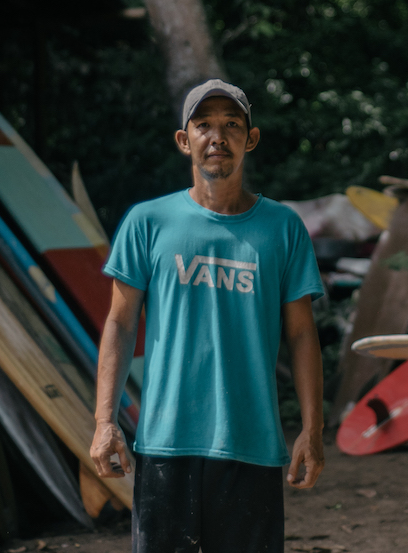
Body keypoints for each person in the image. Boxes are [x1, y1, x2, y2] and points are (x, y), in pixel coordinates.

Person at [90, 79, 326, 553]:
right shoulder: (148, 222)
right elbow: (119, 323)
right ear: (185, 140)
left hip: (252, 443)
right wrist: (104, 422)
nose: (217, 136)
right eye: (204, 125)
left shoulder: (282, 227)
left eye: (232, 125)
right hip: (165, 443)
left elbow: (301, 336)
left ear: (250, 139)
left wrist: (312, 430)